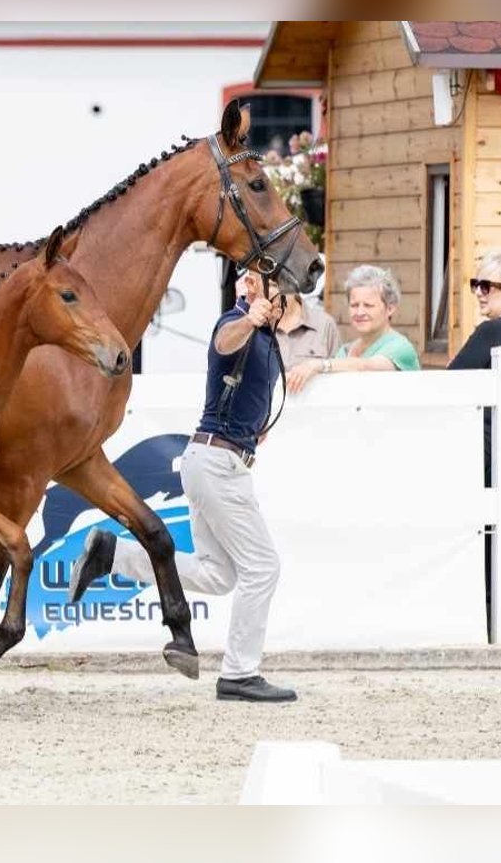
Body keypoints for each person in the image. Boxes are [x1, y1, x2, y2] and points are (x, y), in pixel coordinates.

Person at [70, 270, 297, 703]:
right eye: (271, 287)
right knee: (262, 567)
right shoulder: (236, 323)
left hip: (213, 458)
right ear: (249, 287)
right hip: (217, 463)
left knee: (219, 574)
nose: (280, 298)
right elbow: (223, 342)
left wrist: (254, 426)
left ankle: (111, 553)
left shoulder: (266, 338)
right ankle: (239, 673)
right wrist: (248, 317)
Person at [284, 264, 419, 394]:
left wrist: (316, 365)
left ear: (390, 308)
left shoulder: (401, 347)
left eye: (368, 305)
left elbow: (368, 367)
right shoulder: (345, 351)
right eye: (354, 305)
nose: (360, 312)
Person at [448, 250, 501, 485]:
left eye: (486, 286)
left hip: (485, 452)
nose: (478, 293)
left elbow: (449, 384)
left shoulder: (490, 331)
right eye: (475, 284)